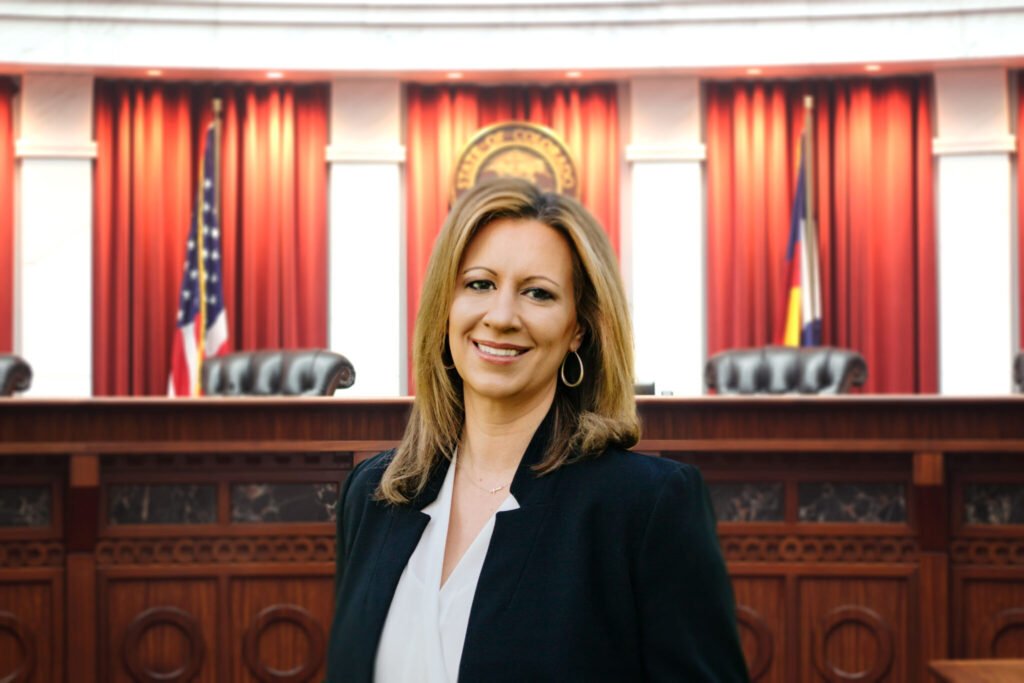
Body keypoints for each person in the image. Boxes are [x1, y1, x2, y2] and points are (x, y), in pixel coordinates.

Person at [326, 178, 749, 682]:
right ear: (445, 308)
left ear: (578, 329)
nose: (501, 317)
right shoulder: (373, 496)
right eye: (479, 284)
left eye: (538, 293)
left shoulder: (646, 508)